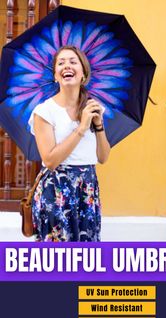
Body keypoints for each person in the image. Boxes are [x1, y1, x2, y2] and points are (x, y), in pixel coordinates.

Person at [28, 45, 110, 242]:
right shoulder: (45, 111)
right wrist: (81, 127)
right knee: (57, 261)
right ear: (56, 75)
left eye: (73, 62)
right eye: (61, 63)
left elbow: (103, 157)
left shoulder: (93, 108)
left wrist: (98, 126)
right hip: (56, 189)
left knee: (84, 259)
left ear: (83, 74)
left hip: (87, 189)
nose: (67, 65)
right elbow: (50, 160)